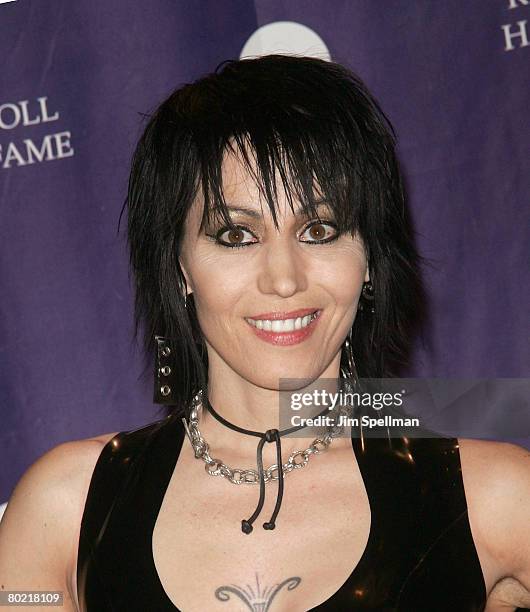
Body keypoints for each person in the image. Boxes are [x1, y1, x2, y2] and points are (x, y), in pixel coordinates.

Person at [0, 55, 529, 612]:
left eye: (320, 230)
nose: (284, 279)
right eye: (236, 235)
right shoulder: (67, 509)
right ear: (179, 266)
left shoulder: (491, 496)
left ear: (369, 258)